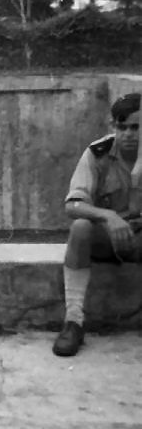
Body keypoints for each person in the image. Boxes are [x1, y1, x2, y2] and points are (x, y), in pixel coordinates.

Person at [53, 92, 141, 357]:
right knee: (81, 228)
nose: (128, 134)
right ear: (113, 126)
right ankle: (74, 322)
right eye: (122, 127)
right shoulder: (97, 153)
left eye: (136, 127)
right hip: (108, 237)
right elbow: (73, 205)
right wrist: (108, 216)